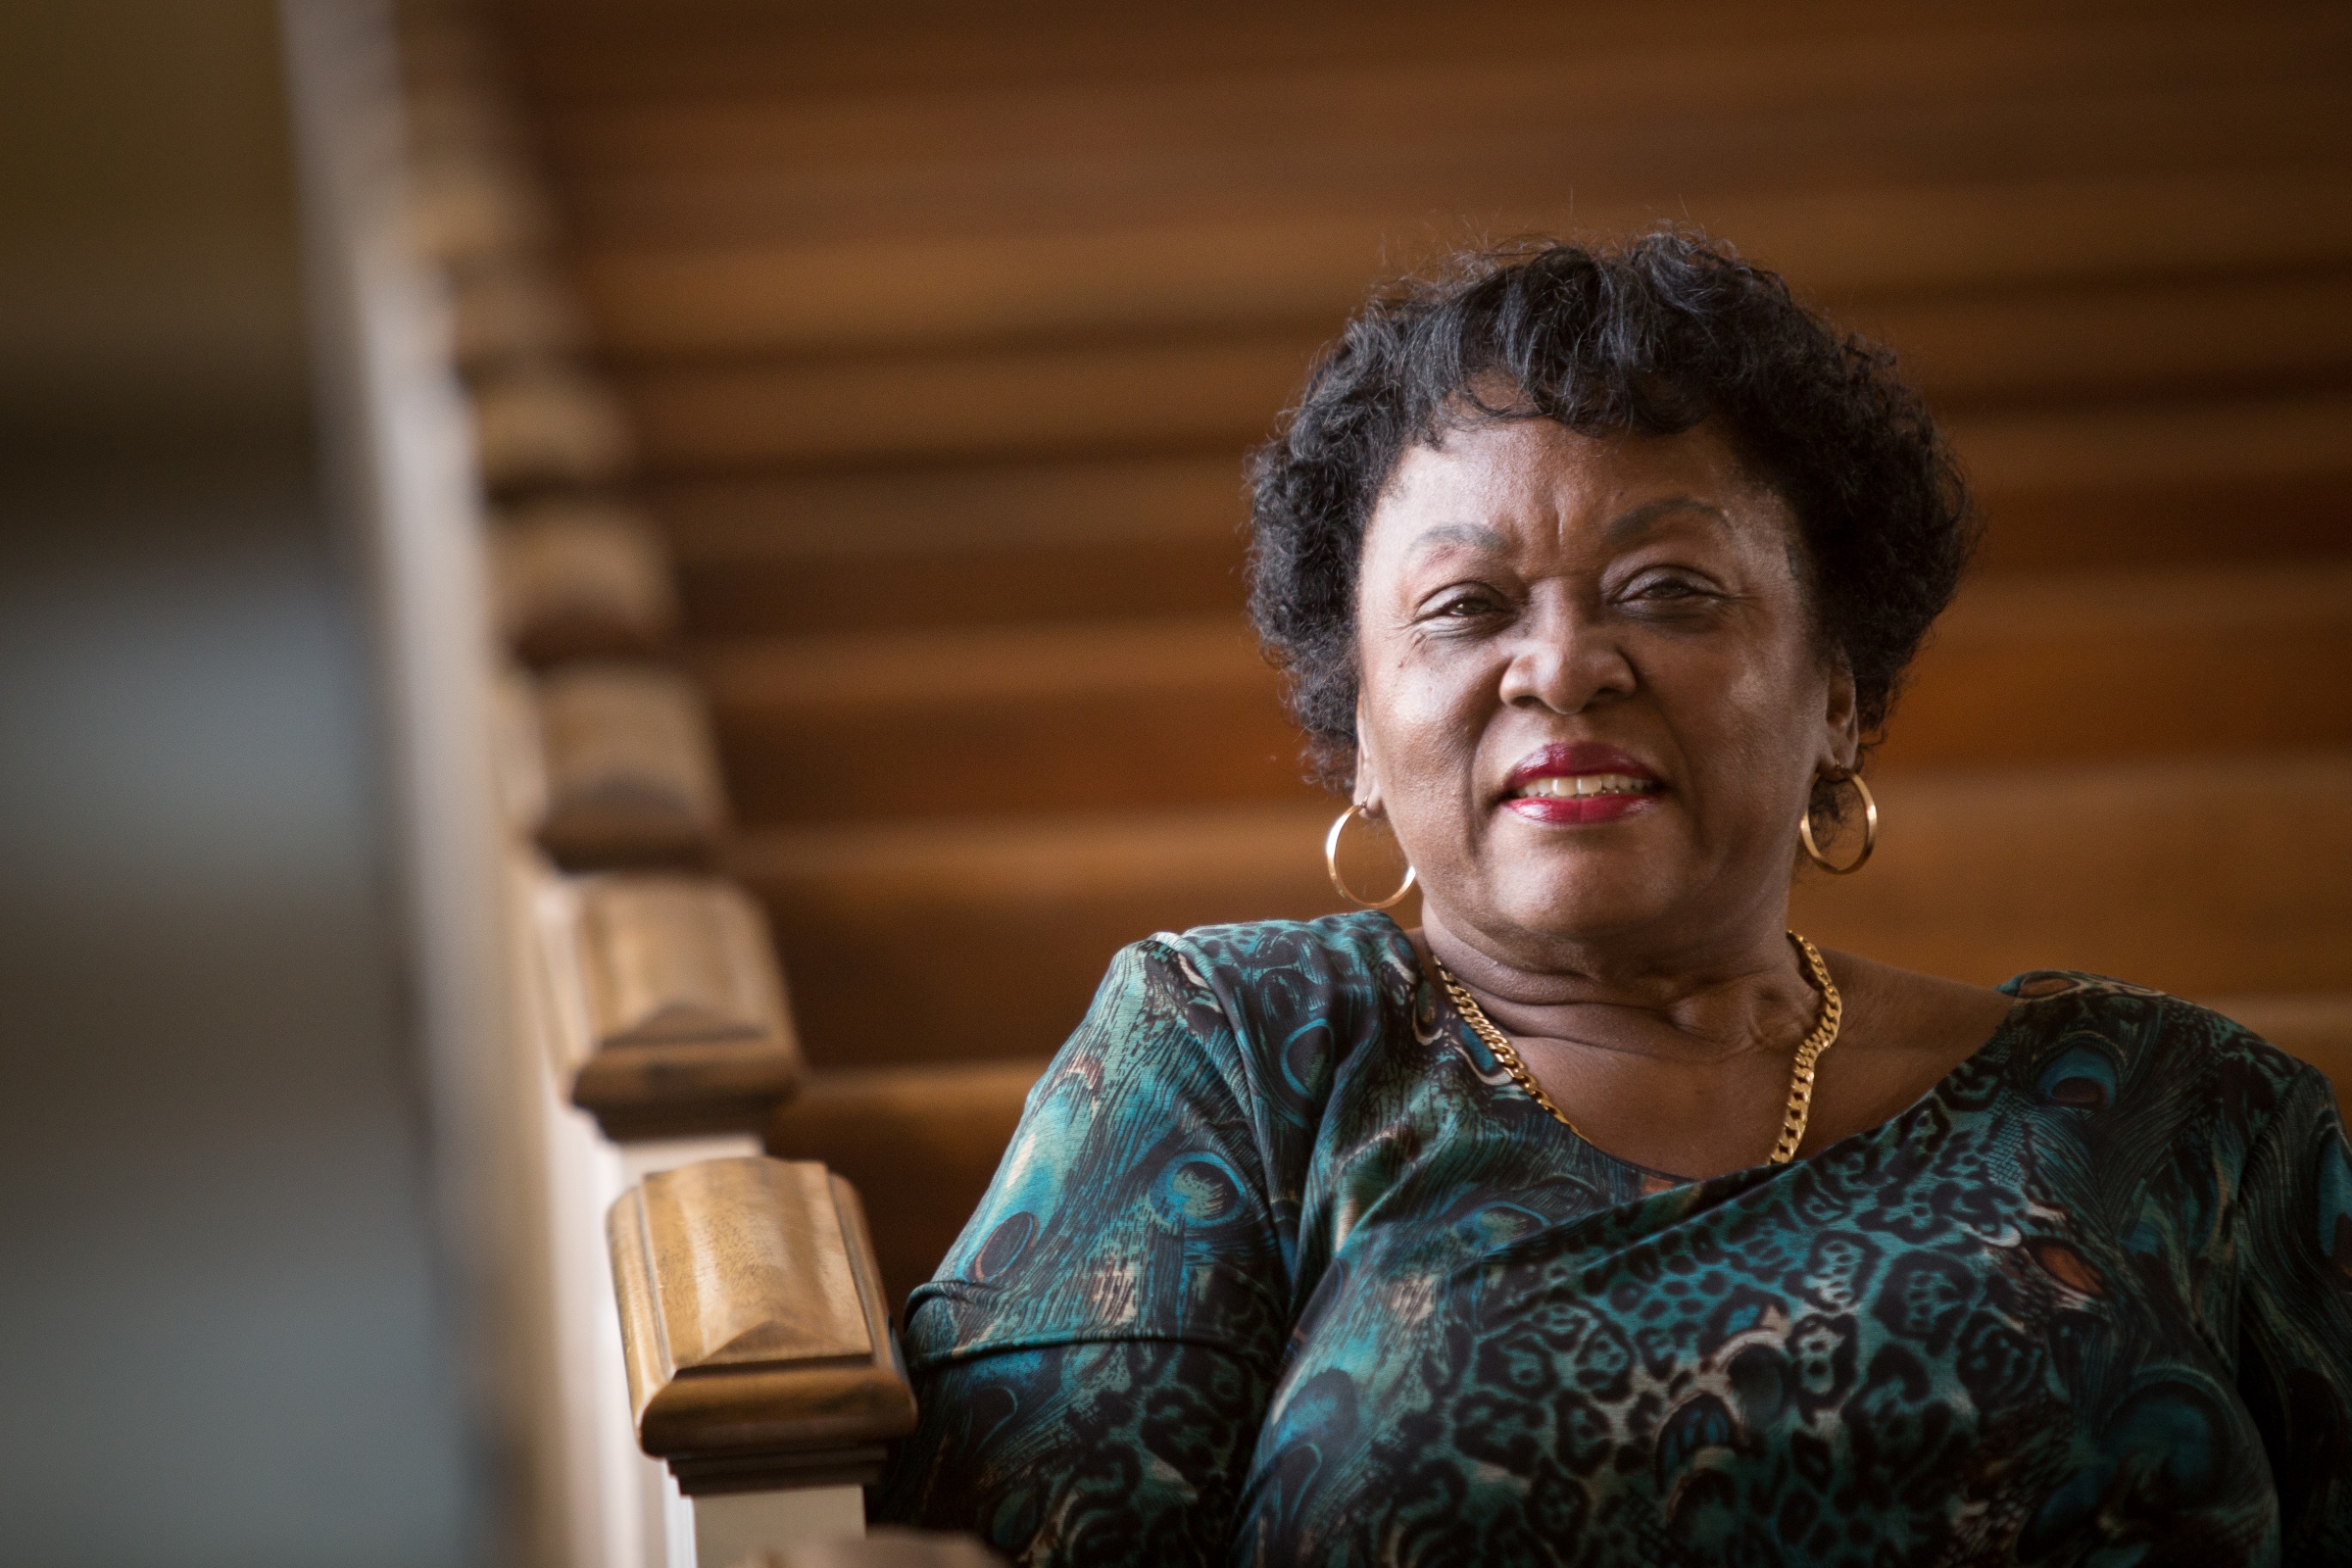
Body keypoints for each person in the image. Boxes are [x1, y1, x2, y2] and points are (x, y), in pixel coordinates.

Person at [873, 232, 2352, 1565]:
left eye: (1670, 591)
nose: (1565, 666)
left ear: (1838, 694)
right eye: (1467, 606)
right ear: (1362, 735)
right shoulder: (1234, 1053)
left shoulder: (2176, 1116)